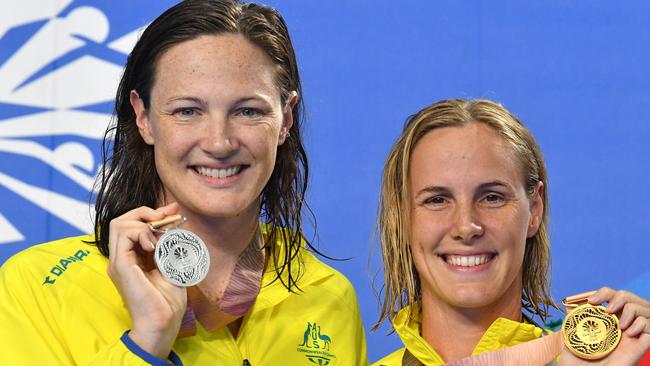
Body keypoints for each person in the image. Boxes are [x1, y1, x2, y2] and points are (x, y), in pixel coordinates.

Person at [0, 1, 367, 365]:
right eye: (188, 111)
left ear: (285, 119)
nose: (219, 143)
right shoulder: (38, 288)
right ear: (143, 117)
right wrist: (147, 342)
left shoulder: (328, 298)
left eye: (248, 111)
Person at [372, 99, 650, 365]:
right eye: (437, 200)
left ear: (534, 209)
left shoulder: (624, 359)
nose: (466, 227)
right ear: (403, 220)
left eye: (492, 197)